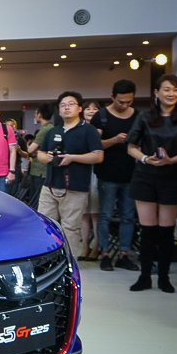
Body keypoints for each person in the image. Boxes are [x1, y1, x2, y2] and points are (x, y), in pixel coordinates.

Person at [126, 74, 177, 293]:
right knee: (147, 230)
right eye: (166, 89)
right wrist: (146, 159)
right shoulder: (144, 116)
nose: (171, 94)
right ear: (156, 92)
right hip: (144, 176)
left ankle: (164, 277)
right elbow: (131, 147)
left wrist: (171, 160)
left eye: (175, 89)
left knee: (166, 231)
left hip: (172, 177)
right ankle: (145, 276)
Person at [37, 91, 104, 255]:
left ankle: (69, 263)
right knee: (44, 226)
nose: (66, 108)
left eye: (71, 104)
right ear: (59, 110)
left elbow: (98, 156)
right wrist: (47, 158)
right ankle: (46, 260)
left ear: (79, 108)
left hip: (75, 187)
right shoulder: (53, 131)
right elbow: (40, 154)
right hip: (50, 186)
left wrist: (72, 158)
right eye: (63, 105)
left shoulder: (88, 130)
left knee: (71, 228)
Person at [90, 79, 139, 272]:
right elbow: (95, 144)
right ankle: (105, 254)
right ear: (112, 97)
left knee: (128, 216)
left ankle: (123, 254)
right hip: (107, 174)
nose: (124, 105)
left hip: (131, 174)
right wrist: (115, 140)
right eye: (121, 101)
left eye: (129, 101)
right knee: (105, 215)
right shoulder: (101, 116)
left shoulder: (138, 116)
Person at [79, 99, 101, 260]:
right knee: (83, 214)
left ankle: (97, 247)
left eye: (95, 109)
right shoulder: (78, 128)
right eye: (88, 108)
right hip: (81, 171)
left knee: (96, 214)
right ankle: (85, 247)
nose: (91, 111)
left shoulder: (102, 128)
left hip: (98, 172)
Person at [27, 102, 55, 209]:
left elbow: (30, 150)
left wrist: (34, 150)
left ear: (39, 115)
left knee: (36, 200)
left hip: (40, 170)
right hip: (43, 169)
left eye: (35, 113)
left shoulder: (44, 129)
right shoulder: (52, 127)